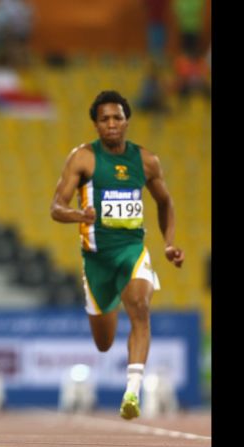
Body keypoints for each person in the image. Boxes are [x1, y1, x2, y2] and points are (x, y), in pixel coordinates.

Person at [50, 90, 184, 420]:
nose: (112, 124)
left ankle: (132, 392)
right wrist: (79, 216)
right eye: (105, 119)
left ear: (127, 122)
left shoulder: (147, 161)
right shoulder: (82, 158)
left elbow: (165, 202)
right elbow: (56, 207)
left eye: (118, 118)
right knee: (104, 342)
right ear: (95, 124)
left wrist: (167, 243)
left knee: (140, 306)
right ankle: (103, 311)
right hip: (96, 258)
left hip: (131, 249)